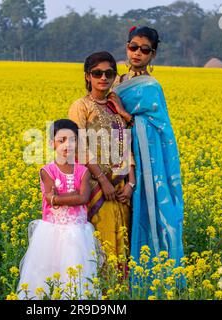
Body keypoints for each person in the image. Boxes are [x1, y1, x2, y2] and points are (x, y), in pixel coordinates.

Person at [111, 26, 185, 278]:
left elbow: (160, 128)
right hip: (117, 159)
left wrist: (127, 116)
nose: (137, 53)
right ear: (127, 47)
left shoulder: (152, 87)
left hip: (146, 162)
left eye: (145, 50)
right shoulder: (115, 81)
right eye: (133, 47)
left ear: (153, 54)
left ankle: (150, 276)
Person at [17, 119, 100, 299]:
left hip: (77, 232)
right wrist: (69, 196)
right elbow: (54, 196)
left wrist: (56, 198)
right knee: (45, 274)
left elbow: (82, 198)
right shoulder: (47, 170)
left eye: (72, 140)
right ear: (51, 143)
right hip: (51, 231)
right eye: (61, 140)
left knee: (76, 276)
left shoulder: (83, 171)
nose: (67, 145)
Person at [68, 51, 136, 262]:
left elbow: (126, 146)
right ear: (88, 76)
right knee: (100, 246)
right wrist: (103, 181)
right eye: (97, 73)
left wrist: (131, 183)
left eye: (109, 73)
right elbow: (79, 147)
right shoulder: (81, 106)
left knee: (122, 245)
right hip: (95, 187)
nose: (103, 78)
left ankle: (120, 291)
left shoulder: (116, 106)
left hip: (120, 188)